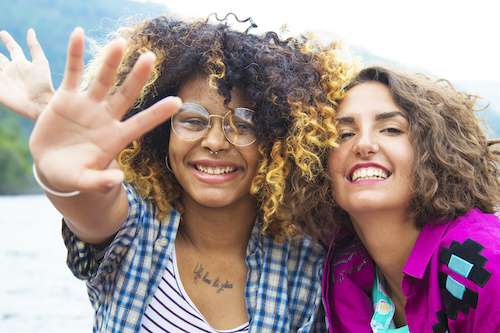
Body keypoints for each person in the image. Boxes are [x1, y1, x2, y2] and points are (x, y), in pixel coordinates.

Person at [0, 14, 352, 332]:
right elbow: (91, 204)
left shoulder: (311, 266)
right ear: (160, 135)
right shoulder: (137, 230)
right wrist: (64, 172)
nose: (214, 142)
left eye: (243, 126)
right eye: (193, 120)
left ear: (277, 143)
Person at [315, 65, 500, 332]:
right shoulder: (336, 269)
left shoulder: (489, 262)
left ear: (435, 149)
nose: (363, 144)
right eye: (344, 135)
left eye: (390, 129)